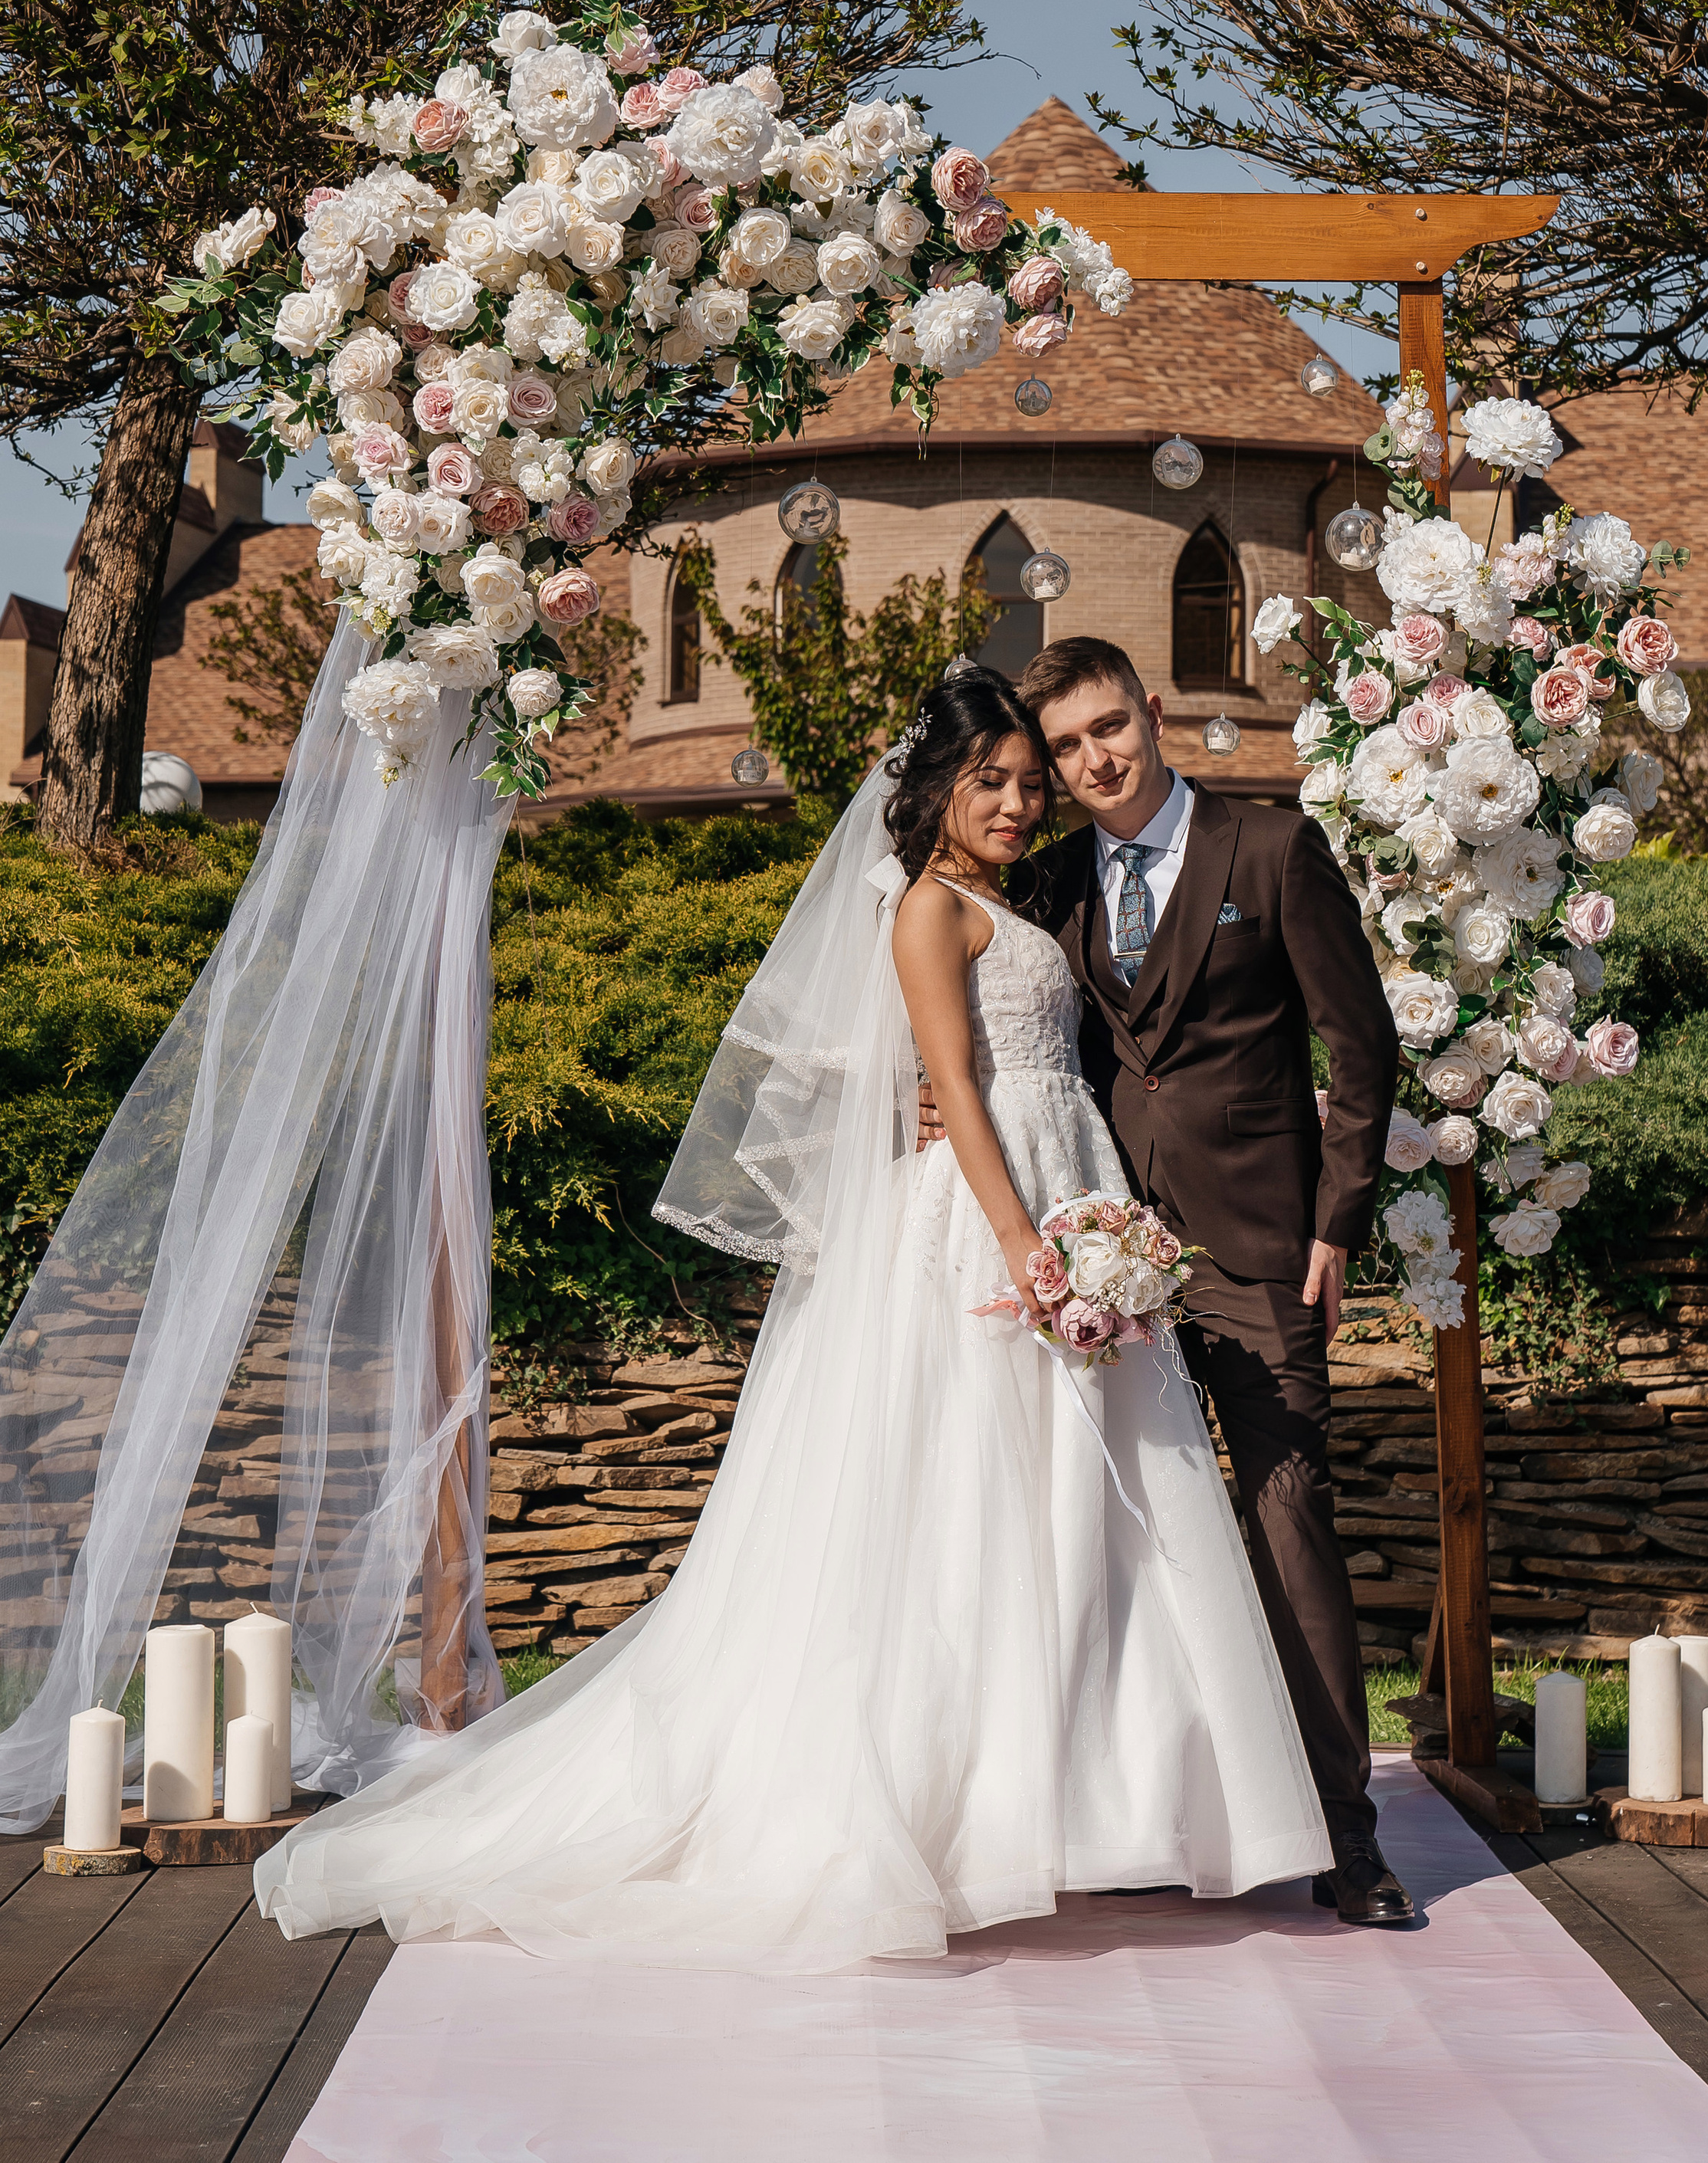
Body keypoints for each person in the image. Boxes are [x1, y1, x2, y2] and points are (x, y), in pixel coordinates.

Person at [254, 669, 1332, 1968]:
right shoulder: (932, 911)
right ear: (930, 792)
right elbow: (951, 1088)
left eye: (1023, 785)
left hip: (1073, 1185)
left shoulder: (1013, 898)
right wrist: (1024, 1246)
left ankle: (1089, 1805)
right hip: (1004, 1222)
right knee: (974, 1507)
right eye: (986, 781)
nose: (1013, 802)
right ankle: (973, 1811)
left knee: (1085, 1511)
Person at [931, 638, 1410, 1927]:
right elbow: (1001, 1027)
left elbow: (1362, 1047)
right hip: (1104, 1255)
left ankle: (1348, 1839)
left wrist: (1336, 1221)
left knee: (1288, 1519)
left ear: (1155, 712)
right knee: (1110, 1539)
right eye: (1067, 748)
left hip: (1260, 1255)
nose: (1092, 762)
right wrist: (934, 1101)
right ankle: (1143, 1816)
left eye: (1109, 731)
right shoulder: (1052, 884)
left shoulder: (1271, 851)